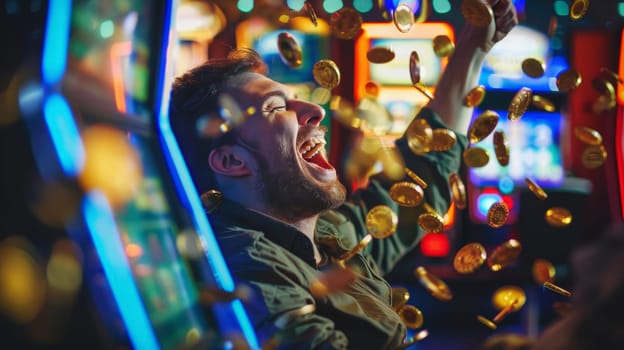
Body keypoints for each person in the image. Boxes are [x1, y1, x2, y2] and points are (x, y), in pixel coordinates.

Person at [169, 2, 517, 348]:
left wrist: (474, 47)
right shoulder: (247, 266)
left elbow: (420, 176)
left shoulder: (323, 234)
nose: (314, 110)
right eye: (277, 107)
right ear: (231, 161)